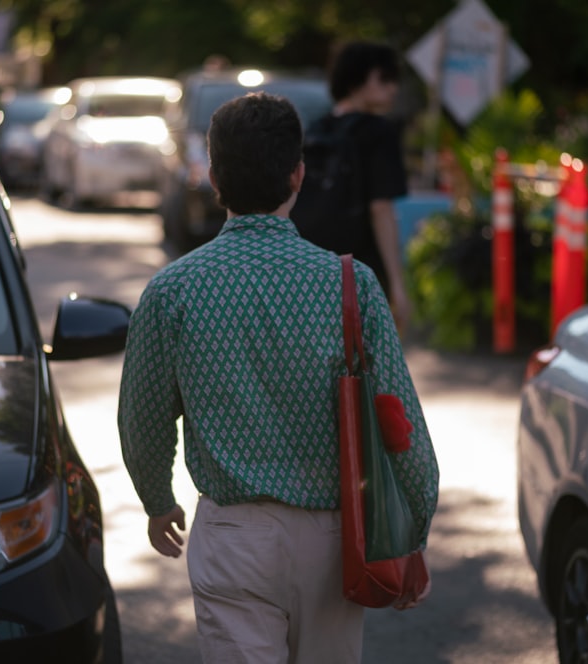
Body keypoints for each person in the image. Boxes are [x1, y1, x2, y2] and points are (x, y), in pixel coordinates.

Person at [117, 91, 439, 664]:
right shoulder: (351, 283)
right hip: (336, 540)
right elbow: (399, 419)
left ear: (214, 179)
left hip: (233, 538)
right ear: (298, 175)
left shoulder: (174, 290)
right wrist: (414, 527)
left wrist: (157, 498)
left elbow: (142, 416)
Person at [291, 40, 412, 333]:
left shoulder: (315, 128)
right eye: (385, 78)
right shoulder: (379, 131)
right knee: (358, 362)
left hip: (307, 264)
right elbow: (381, 209)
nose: (392, 88)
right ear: (360, 79)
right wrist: (397, 284)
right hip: (358, 269)